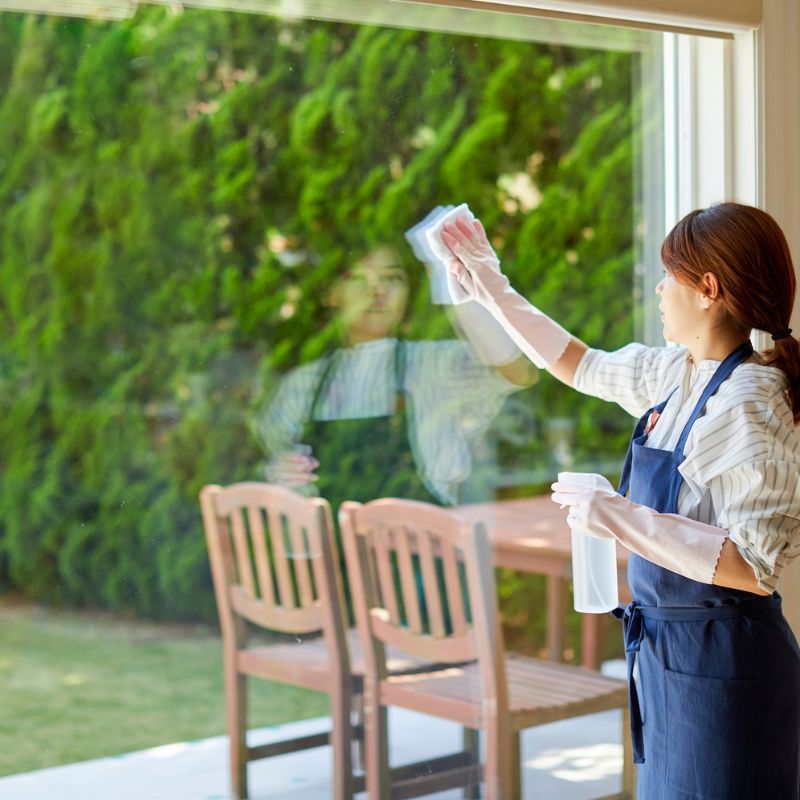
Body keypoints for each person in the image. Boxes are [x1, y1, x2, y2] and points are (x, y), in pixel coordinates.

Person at [441, 201, 800, 799]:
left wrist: (618, 515)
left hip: (728, 669)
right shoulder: (680, 373)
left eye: (671, 276)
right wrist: (493, 288)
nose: (660, 290)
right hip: (667, 659)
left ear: (707, 289)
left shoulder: (751, 401)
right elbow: (579, 364)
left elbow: (752, 567)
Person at [255, 243, 536, 512]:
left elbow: (518, 372)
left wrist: (447, 279)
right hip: (335, 554)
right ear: (333, 293)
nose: (377, 290)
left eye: (392, 278)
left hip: (426, 552)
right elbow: (278, 467)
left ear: (408, 294)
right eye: (357, 278)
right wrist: (281, 477)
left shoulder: (437, 365)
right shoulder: (303, 385)